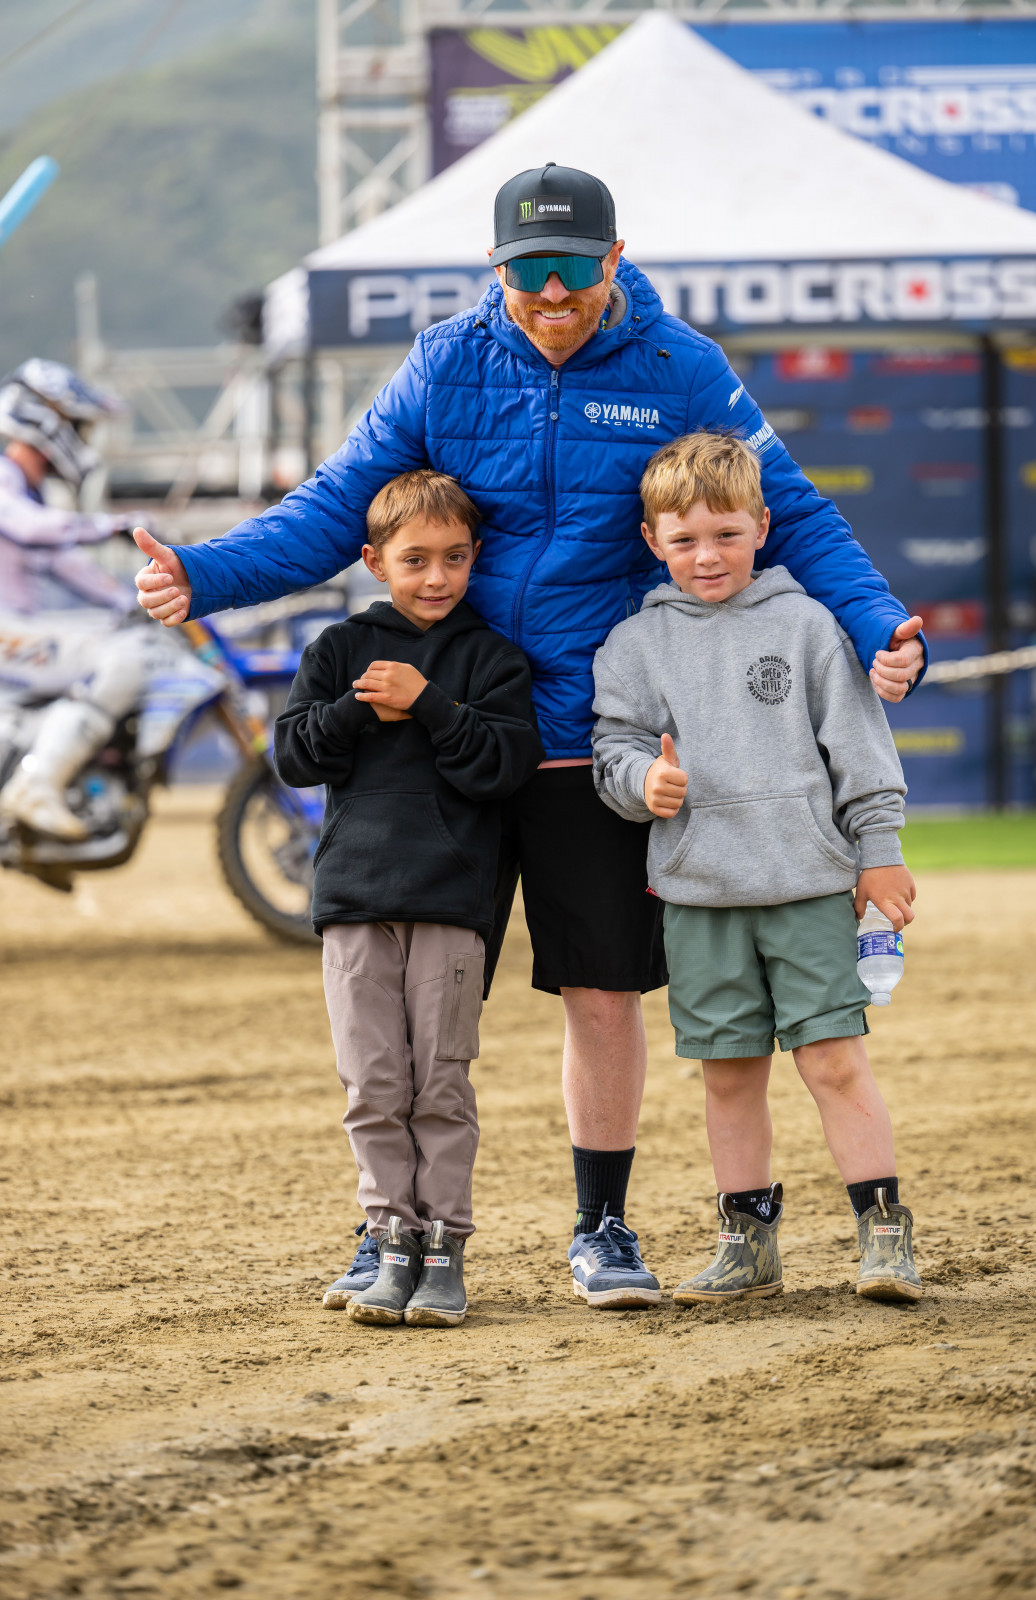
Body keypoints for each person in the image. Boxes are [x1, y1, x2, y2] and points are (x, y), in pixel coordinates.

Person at [132, 162, 926, 1309]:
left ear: (613, 260)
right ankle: (393, 1230)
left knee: (602, 994)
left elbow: (789, 508)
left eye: (570, 271)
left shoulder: (678, 366)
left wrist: (877, 622)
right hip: (447, 738)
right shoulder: (448, 359)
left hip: (586, 741)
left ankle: (601, 1228)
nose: (549, 296)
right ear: (494, 270)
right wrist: (205, 577)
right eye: (525, 273)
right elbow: (339, 505)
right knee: (405, 1012)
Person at [592, 432, 921, 1305]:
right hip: (698, 898)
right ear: (652, 540)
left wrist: (878, 854)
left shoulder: (810, 626)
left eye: (726, 534)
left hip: (809, 888)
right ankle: (747, 1243)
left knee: (834, 1064)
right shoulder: (632, 644)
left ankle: (883, 1235)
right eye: (686, 538)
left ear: (762, 527)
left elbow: (860, 752)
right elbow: (611, 748)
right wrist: (642, 783)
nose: (708, 555)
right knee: (729, 1075)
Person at [273, 469, 543, 1326]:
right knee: (372, 1084)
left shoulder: (491, 661)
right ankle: (388, 1237)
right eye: (415, 559)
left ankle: (444, 1249)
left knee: (441, 1087)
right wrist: (360, 710)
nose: (436, 577)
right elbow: (293, 758)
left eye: (455, 558)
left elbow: (505, 768)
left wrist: (429, 705)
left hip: (453, 904)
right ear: (374, 561)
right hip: (353, 902)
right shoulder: (338, 651)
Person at [0, 359, 170, 841]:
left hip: (15, 629)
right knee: (122, 659)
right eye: (79, 425)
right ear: (47, 420)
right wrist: (113, 524)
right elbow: (28, 529)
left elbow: (70, 565)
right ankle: (37, 785)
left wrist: (136, 601)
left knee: (124, 641)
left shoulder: (29, 495)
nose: (85, 439)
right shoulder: (6, 483)